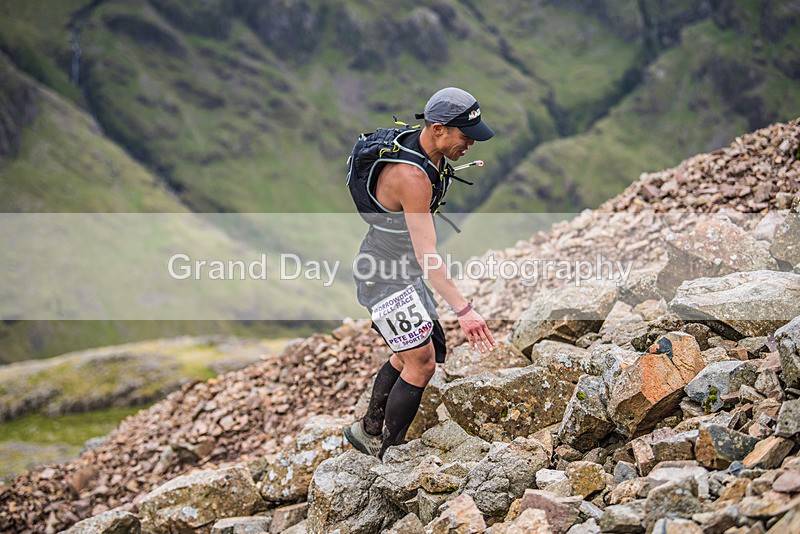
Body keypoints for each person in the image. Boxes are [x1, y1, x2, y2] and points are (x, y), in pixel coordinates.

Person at [344, 87, 496, 459]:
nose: (470, 144)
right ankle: (389, 453)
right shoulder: (412, 177)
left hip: (401, 270)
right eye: (465, 136)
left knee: (409, 354)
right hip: (383, 275)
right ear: (438, 129)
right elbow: (428, 257)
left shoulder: (430, 152)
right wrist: (465, 311)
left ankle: (367, 430)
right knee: (421, 363)